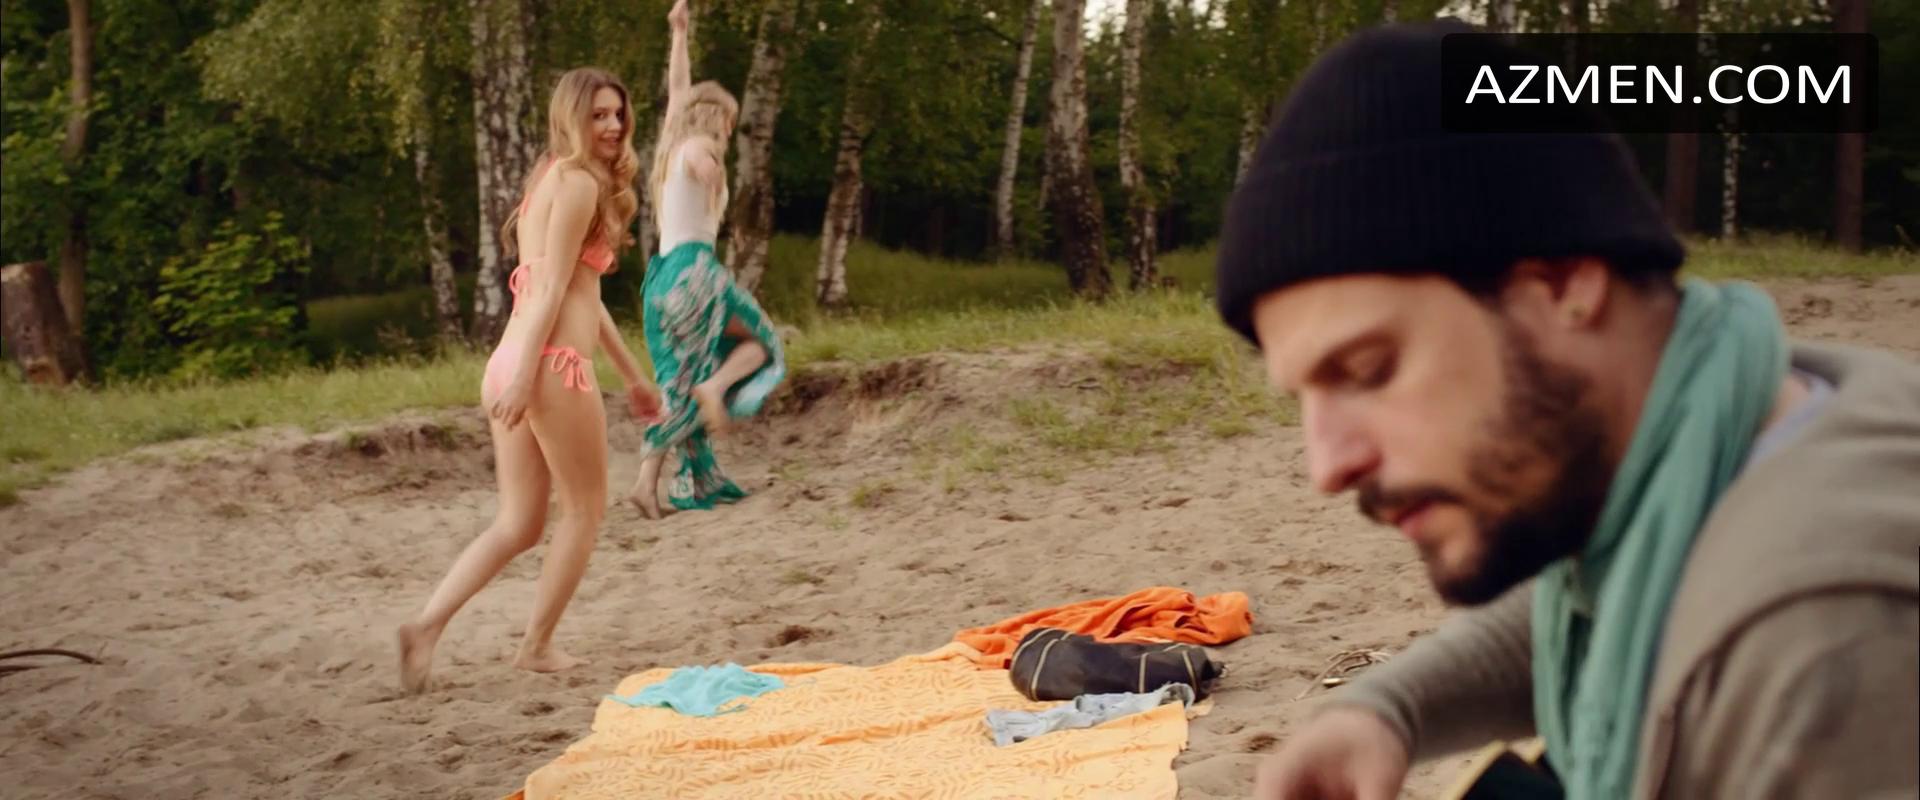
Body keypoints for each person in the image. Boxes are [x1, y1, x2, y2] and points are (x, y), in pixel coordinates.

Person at [1213, 20, 1920, 800]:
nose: (1327, 466)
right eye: (1304, 397)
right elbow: (1596, 596)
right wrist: (1385, 711)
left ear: (1561, 283)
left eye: (1368, 369)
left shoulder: (1825, 640)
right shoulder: (1749, 410)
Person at [397, 67, 662, 693]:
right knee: (585, 510)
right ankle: (536, 646)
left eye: (618, 114)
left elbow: (579, 293)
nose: (613, 125)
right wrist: (524, 378)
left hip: (515, 361)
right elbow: (550, 292)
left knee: (519, 523)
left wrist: (633, 376)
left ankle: (424, 629)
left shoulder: (552, 176)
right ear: (571, 116)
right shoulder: (579, 185)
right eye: (597, 115)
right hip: (549, 367)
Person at [626, 0, 787, 520]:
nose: (729, 131)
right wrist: (713, 172)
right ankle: (714, 388)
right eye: (729, 121)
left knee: (677, 384)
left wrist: (679, 32)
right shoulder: (699, 145)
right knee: (761, 342)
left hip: (660, 280)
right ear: (716, 117)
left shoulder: (668, 146)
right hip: (695, 273)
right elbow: (702, 155)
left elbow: (678, 89)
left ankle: (646, 485)